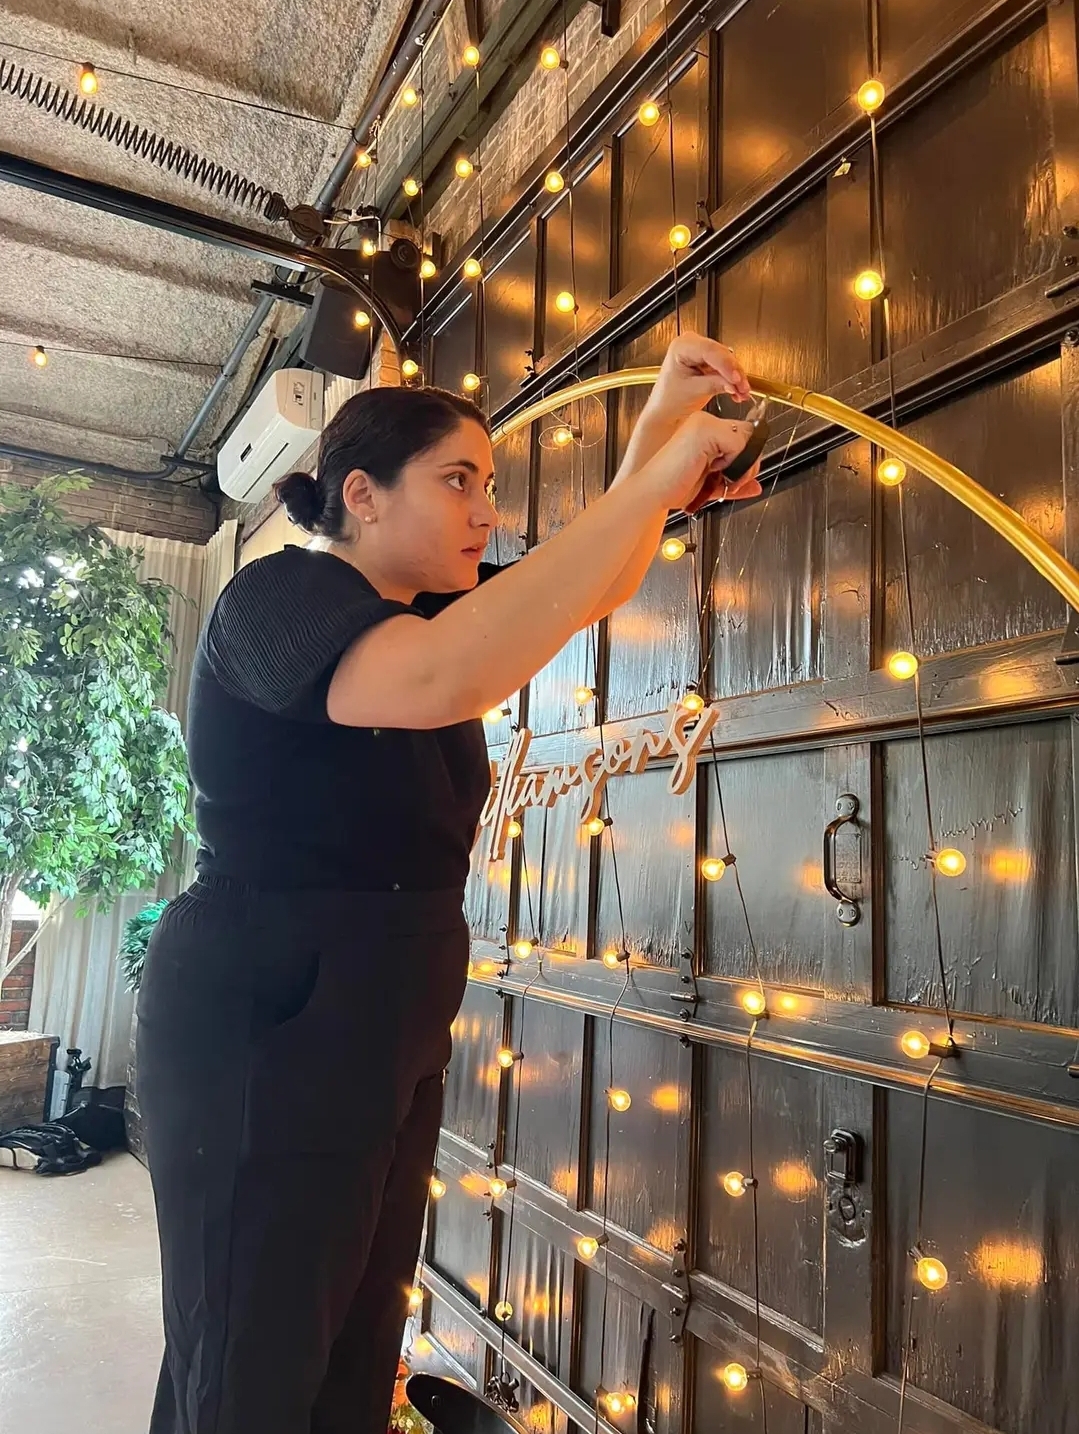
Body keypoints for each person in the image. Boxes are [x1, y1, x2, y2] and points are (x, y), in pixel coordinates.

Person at [135, 333, 763, 1434]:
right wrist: (659, 477)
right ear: (361, 495)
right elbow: (440, 679)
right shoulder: (277, 599)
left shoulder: (424, 614)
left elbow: (589, 580)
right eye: (457, 480)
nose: (484, 509)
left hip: (387, 1002)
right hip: (266, 1004)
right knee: (255, 1342)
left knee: (355, 1333)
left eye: (488, 483)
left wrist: (665, 429)